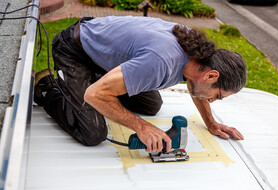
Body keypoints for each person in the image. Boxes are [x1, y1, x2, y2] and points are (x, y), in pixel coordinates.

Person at [34, 16, 247, 153]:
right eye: (217, 95)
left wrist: (210, 122)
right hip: (75, 50)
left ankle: (104, 77)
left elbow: (197, 89)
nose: (212, 100)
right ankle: (46, 85)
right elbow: (93, 95)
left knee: (151, 105)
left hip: (107, 56)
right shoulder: (160, 62)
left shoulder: (197, 60)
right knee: (92, 132)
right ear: (211, 76)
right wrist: (142, 127)